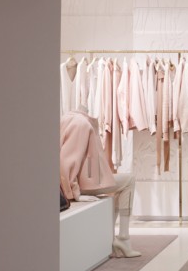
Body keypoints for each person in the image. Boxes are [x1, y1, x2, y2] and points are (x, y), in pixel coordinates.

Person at [60, 109, 141, 258]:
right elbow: (67, 161)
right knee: (128, 181)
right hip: (82, 184)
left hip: (82, 181)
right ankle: (123, 238)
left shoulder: (69, 117)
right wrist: (75, 193)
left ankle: (113, 237)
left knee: (122, 183)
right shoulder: (81, 124)